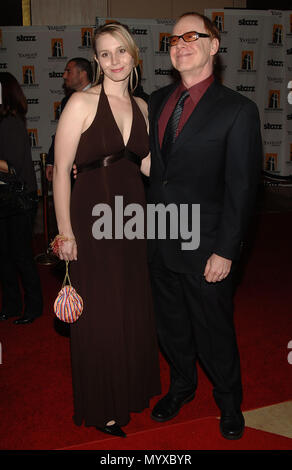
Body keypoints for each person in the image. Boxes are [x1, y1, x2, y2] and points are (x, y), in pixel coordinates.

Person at [147, 12, 262, 440]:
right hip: (158, 241)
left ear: (215, 46)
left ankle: (229, 401)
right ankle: (182, 386)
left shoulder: (239, 110)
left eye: (192, 36)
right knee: (171, 326)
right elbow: (155, 170)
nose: (180, 43)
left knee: (214, 333)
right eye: (174, 38)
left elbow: (242, 188)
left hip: (206, 247)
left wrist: (227, 250)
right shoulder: (156, 101)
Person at [52, 22, 161, 437]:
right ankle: (103, 406)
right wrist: (65, 232)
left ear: (134, 55)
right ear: (96, 60)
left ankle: (129, 390)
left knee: (129, 303)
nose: (114, 61)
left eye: (121, 52)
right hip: (91, 218)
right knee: (99, 310)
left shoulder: (143, 107)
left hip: (132, 217)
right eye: (104, 54)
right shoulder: (81, 102)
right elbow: (62, 170)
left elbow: (148, 165)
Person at [0, 72, 43, 325]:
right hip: (4, 198)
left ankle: (34, 306)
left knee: (21, 255)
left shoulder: (12, 122)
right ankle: (12, 304)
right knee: (4, 256)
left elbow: (12, 166)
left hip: (20, 199)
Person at [46, 57, 93, 181]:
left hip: (94, 167)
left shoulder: (100, 97)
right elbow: (61, 134)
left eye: (68, 71)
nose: (64, 75)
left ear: (82, 74)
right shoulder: (66, 101)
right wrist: (51, 161)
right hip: (70, 171)